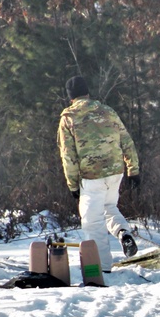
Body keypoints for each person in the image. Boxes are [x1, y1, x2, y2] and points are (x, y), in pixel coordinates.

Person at [57, 76, 141, 272]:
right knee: (109, 207)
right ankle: (123, 233)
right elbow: (126, 141)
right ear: (87, 92)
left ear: (71, 98)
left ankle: (102, 269)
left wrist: (73, 186)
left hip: (91, 176)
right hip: (115, 173)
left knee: (92, 223)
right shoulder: (108, 111)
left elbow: (68, 156)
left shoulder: (68, 118)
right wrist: (133, 171)